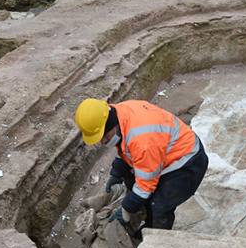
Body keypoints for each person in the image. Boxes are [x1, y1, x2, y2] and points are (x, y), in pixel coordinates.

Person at [73, 98, 208, 233]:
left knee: (160, 205)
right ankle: (146, 217)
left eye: (104, 137)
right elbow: (126, 148)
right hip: (162, 153)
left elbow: (145, 186)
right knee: (133, 181)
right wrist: (116, 174)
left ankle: (157, 238)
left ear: (110, 125)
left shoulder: (142, 141)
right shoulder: (118, 114)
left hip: (187, 162)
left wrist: (126, 209)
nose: (103, 142)